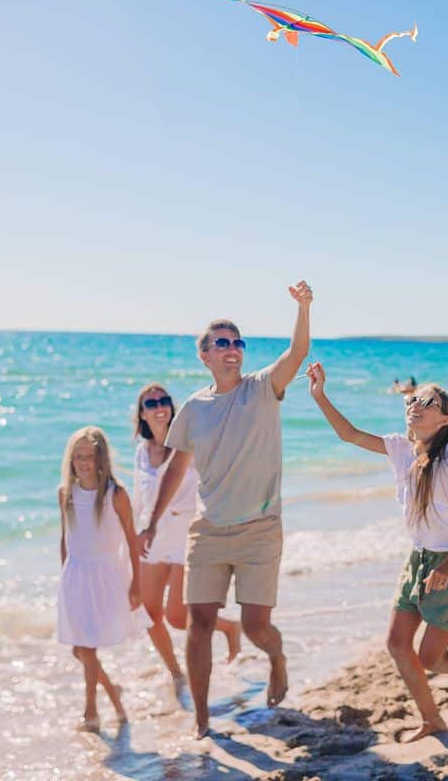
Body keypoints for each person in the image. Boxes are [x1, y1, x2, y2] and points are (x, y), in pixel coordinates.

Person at [306, 362, 448, 741]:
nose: (416, 404)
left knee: (432, 659)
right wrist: (319, 395)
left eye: (429, 402)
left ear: (443, 420)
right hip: (418, 559)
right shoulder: (402, 450)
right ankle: (433, 720)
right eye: (415, 399)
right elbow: (349, 434)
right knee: (396, 644)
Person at [142, 280, 313, 738]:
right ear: (205, 355)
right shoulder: (194, 409)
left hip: (260, 529)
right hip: (209, 530)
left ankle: (276, 658)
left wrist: (303, 309)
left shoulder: (261, 388)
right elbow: (176, 469)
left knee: (258, 626)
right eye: (223, 343)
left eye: (238, 342)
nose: (233, 349)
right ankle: (201, 717)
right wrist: (152, 522)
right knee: (196, 624)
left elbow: (296, 355)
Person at [131, 383, 241, 696]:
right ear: (142, 413)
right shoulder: (142, 451)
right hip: (151, 539)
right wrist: (130, 539)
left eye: (164, 400)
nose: (158, 406)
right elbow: (140, 499)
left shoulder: (188, 445)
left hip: (184, 537)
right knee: (149, 615)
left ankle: (231, 628)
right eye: (151, 403)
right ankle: (175, 673)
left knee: (177, 617)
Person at [56, 426, 148, 732]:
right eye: (77, 456)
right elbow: (64, 537)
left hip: (105, 576)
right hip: (76, 576)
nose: (83, 462)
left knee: (88, 648)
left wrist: (136, 582)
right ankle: (115, 698)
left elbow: (132, 539)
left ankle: (91, 713)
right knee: (79, 650)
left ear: (100, 458)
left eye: (89, 456)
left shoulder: (114, 494)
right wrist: (64, 577)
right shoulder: (65, 494)